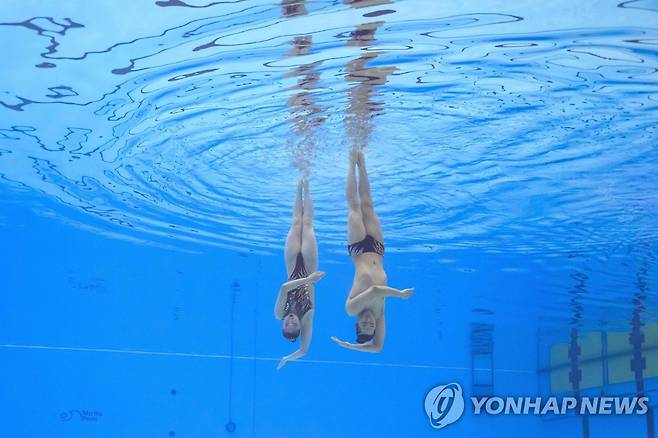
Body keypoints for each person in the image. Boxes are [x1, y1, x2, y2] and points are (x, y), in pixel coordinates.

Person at [331, 150, 413, 353]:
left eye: (365, 325)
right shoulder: (379, 313)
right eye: (372, 326)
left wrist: (400, 294)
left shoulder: (351, 309)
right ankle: (362, 161)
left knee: (354, 206)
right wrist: (351, 346)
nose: (369, 322)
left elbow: (376, 291)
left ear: (357, 324)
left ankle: (351, 162)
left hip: (358, 248)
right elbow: (377, 347)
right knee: (368, 204)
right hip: (377, 249)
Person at [274, 178, 325, 369]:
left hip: (293, 266)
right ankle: (308, 185)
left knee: (296, 223)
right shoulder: (307, 316)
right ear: (300, 327)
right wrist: (288, 358)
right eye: (293, 325)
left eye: (286, 324)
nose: (290, 321)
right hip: (310, 267)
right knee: (308, 223)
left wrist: (309, 280)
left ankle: (298, 185)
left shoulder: (279, 313)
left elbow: (284, 287)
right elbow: (304, 350)